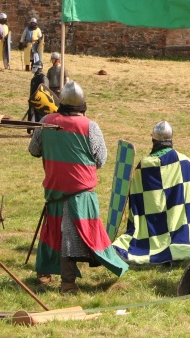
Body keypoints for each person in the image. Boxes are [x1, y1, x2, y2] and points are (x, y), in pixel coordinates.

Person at [28, 82, 128, 292]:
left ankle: (44, 272)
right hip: (79, 193)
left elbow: (34, 150)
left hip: (56, 190)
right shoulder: (89, 126)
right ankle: (67, 283)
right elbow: (101, 159)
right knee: (67, 238)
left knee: (54, 233)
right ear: (83, 105)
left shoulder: (46, 122)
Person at [113, 121, 190, 264]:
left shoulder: (143, 165)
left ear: (153, 139)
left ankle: (150, 247)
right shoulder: (185, 162)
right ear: (171, 139)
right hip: (182, 237)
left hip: (150, 231)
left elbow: (136, 202)